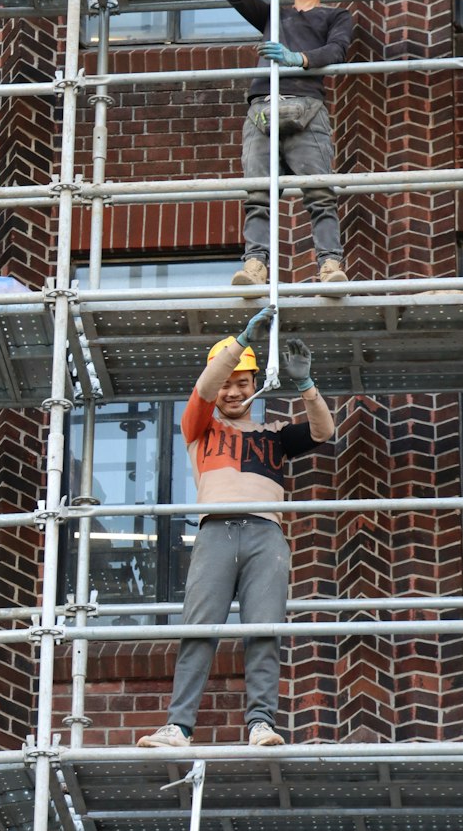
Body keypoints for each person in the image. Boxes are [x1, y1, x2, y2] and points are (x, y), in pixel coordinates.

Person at [137, 307, 335, 749]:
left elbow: (323, 430)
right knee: (199, 627)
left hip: (266, 534)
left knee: (264, 628)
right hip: (216, 532)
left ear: (255, 385)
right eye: (227, 382)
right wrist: (240, 345)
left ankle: (261, 723)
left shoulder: (275, 434)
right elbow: (203, 390)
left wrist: (306, 385)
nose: (232, 390)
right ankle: (179, 726)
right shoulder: (199, 427)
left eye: (242, 382)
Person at [223, 0, 354, 289]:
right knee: (259, 195)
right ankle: (254, 266)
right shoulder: (272, 17)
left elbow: (336, 50)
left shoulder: (336, 16)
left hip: (307, 107)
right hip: (261, 108)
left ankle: (329, 265)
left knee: (318, 192)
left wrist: (298, 58)